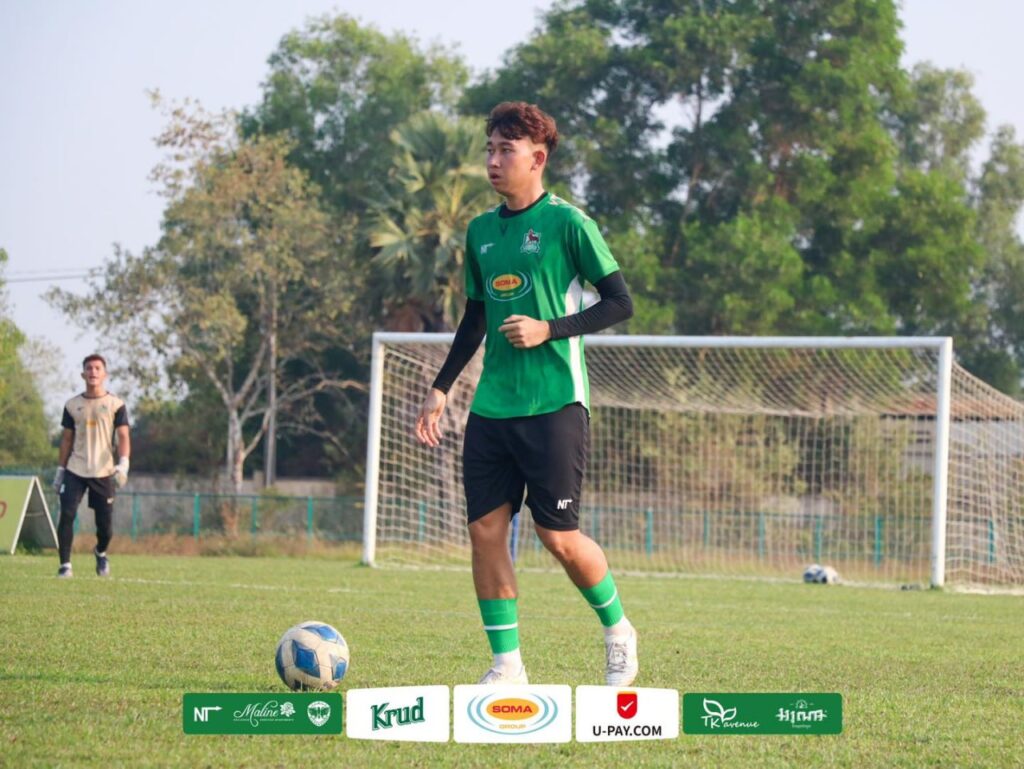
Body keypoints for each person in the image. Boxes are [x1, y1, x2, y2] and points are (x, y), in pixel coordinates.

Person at [415, 101, 638, 686]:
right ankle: (507, 665)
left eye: (505, 151)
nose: (493, 161)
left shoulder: (570, 224)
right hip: (492, 406)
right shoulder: (481, 231)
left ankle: (618, 630)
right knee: (485, 531)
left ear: (537, 159)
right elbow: (475, 318)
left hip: (555, 402)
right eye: (489, 149)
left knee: (557, 537)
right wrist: (441, 387)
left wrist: (548, 329)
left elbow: (620, 302)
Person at [53, 354, 131, 578]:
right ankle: (65, 565)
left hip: (103, 471)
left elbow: (123, 436)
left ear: (104, 374)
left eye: (97, 368)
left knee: (105, 526)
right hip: (75, 469)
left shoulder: (116, 404)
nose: (93, 372)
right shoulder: (72, 405)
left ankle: (100, 552)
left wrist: (123, 465)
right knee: (67, 514)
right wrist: (60, 471)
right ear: (83, 374)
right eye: (89, 368)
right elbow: (66, 439)